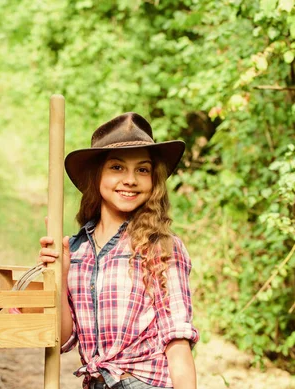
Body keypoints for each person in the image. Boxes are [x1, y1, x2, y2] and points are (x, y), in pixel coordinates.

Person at [39, 113, 199, 389]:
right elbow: (62, 338)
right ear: (97, 174)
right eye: (117, 167)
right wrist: (60, 275)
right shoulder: (76, 250)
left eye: (142, 170)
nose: (130, 180)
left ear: (153, 180)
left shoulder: (160, 246)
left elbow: (177, 340)